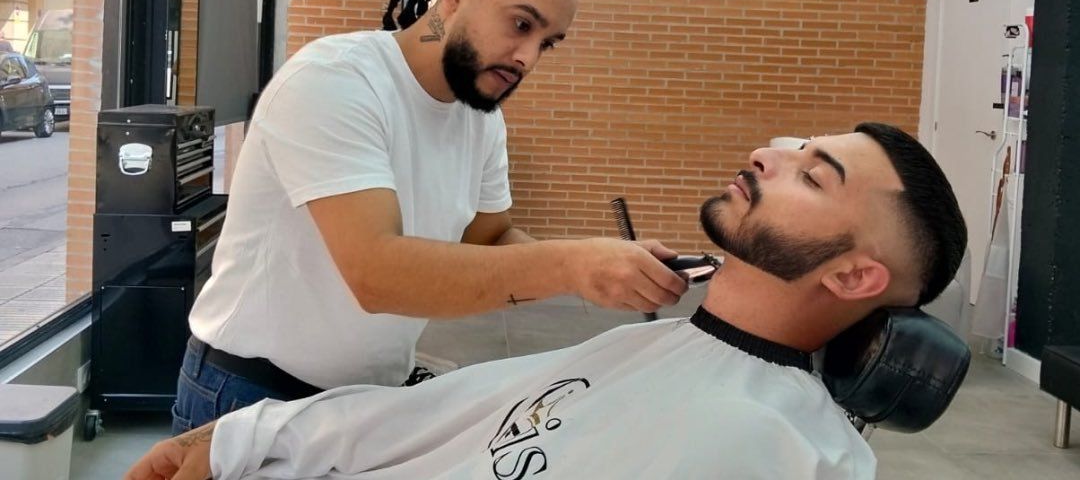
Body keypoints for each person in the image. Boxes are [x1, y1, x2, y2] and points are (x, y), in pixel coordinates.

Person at [129, 122, 967, 480]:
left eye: (814, 176)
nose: (767, 155)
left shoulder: (767, 445)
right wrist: (244, 438)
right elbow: (444, 419)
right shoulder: (666, 348)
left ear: (853, 278)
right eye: (793, 147)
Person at [173, 0, 687, 433]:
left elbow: (490, 239)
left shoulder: (480, 120)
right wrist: (571, 265)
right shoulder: (335, 81)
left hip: (367, 399)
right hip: (250, 395)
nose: (528, 58)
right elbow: (376, 276)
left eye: (546, 42)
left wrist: (604, 268)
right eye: (521, 25)